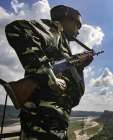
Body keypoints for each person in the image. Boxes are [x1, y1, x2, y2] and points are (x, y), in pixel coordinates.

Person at [5, 5, 93, 140]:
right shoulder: (55, 31)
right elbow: (17, 29)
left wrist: (79, 67)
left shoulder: (62, 44)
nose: (78, 31)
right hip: (40, 125)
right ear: (66, 20)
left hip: (55, 127)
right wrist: (49, 76)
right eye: (77, 25)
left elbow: (70, 96)